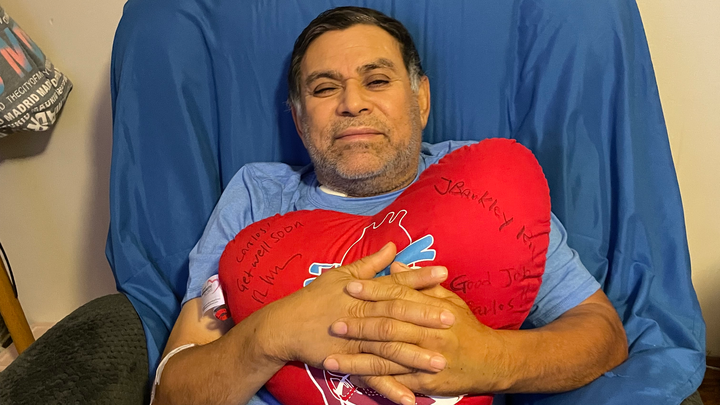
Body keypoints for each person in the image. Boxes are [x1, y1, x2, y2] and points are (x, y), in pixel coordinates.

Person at [151, 6, 627, 405]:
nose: (352, 103)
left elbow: (602, 334)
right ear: (298, 119)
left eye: (377, 80)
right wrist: (273, 334)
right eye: (324, 88)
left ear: (421, 100)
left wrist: (493, 359)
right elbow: (172, 389)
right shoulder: (256, 196)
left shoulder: (482, 185)